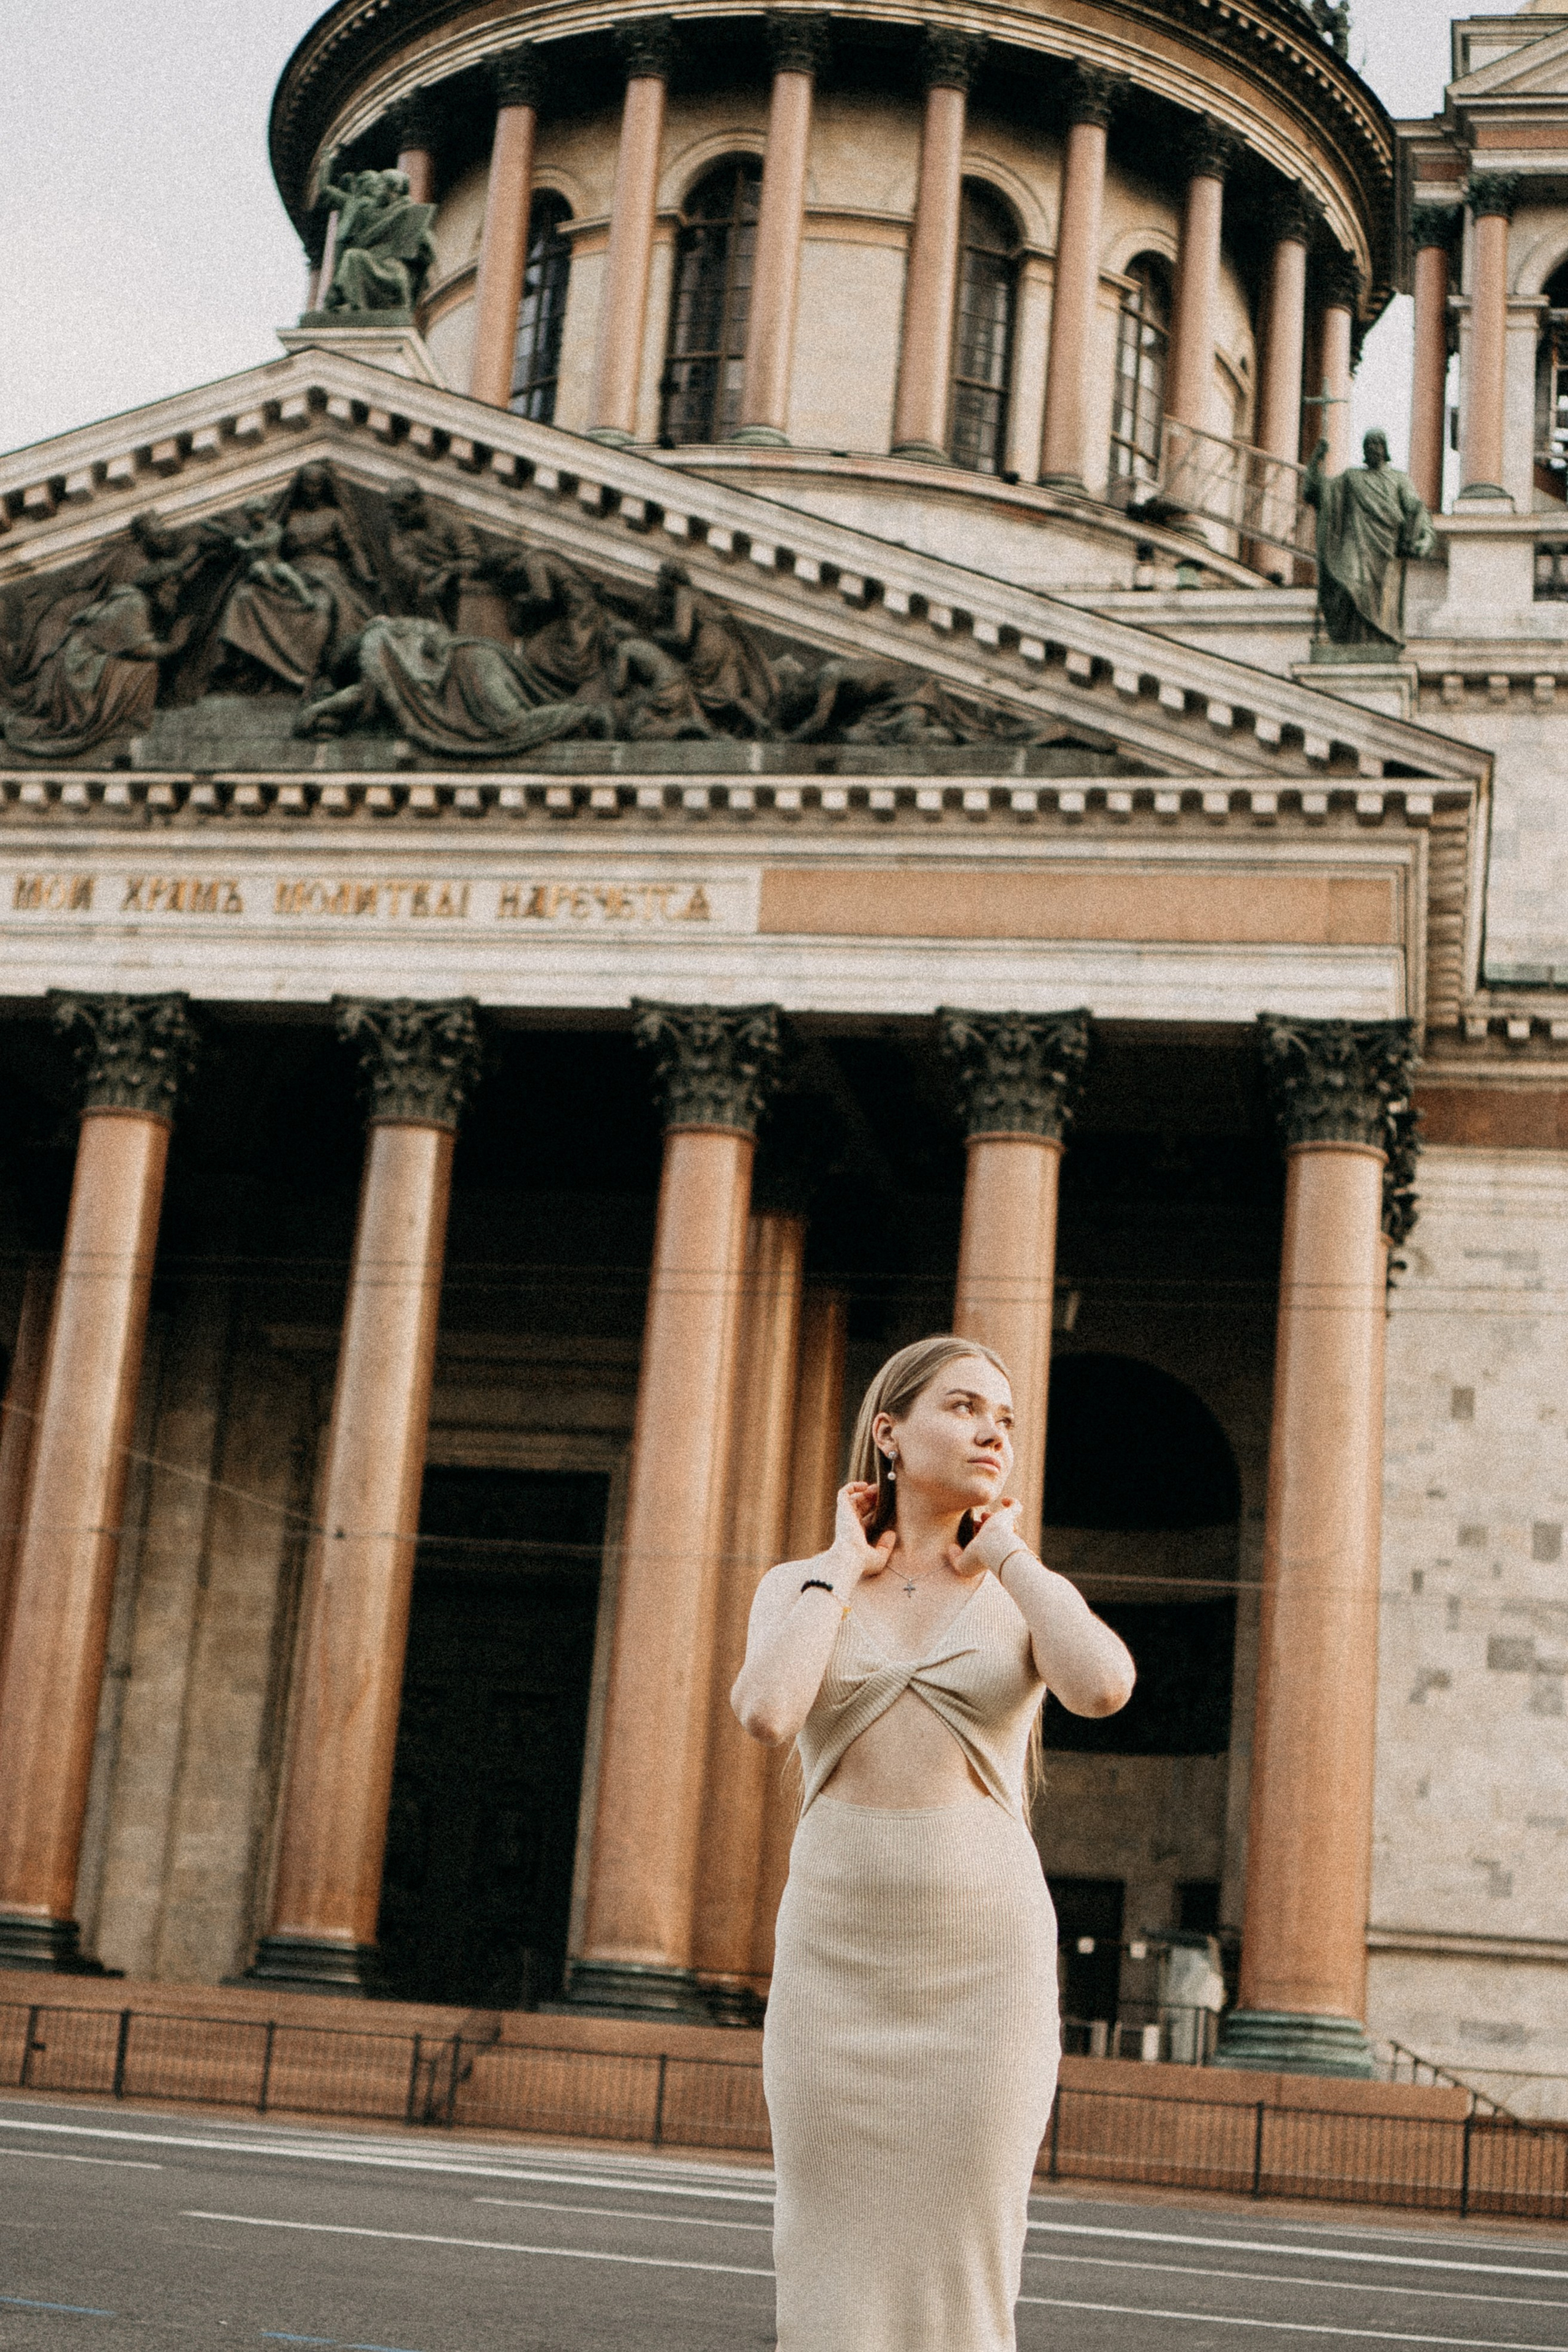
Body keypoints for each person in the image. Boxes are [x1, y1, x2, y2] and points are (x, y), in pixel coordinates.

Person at [734, 1335, 1134, 2352]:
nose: (993, 1430)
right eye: (963, 1408)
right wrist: (841, 1561)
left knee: (969, 2261)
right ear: (890, 1434)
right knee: (825, 2257)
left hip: (983, 1971)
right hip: (836, 1966)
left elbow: (1101, 1685)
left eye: (1006, 1417)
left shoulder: (1018, 1589)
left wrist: (1007, 1552)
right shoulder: (802, 1585)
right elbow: (769, 1713)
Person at [1304, 428, 1435, 648]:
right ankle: (1351, 641)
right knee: (1349, 584)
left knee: (1376, 598)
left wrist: (1425, 537)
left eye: (1377, 444)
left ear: (1385, 450)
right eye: (1369, 444)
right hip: (1355, 544)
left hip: (1385, 549)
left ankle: (1374, 641)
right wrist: (1316, 459)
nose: (1373, 448)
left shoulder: (1399, 479)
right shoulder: (1351, 478)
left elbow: (1416, 508)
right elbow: (1319, 492)